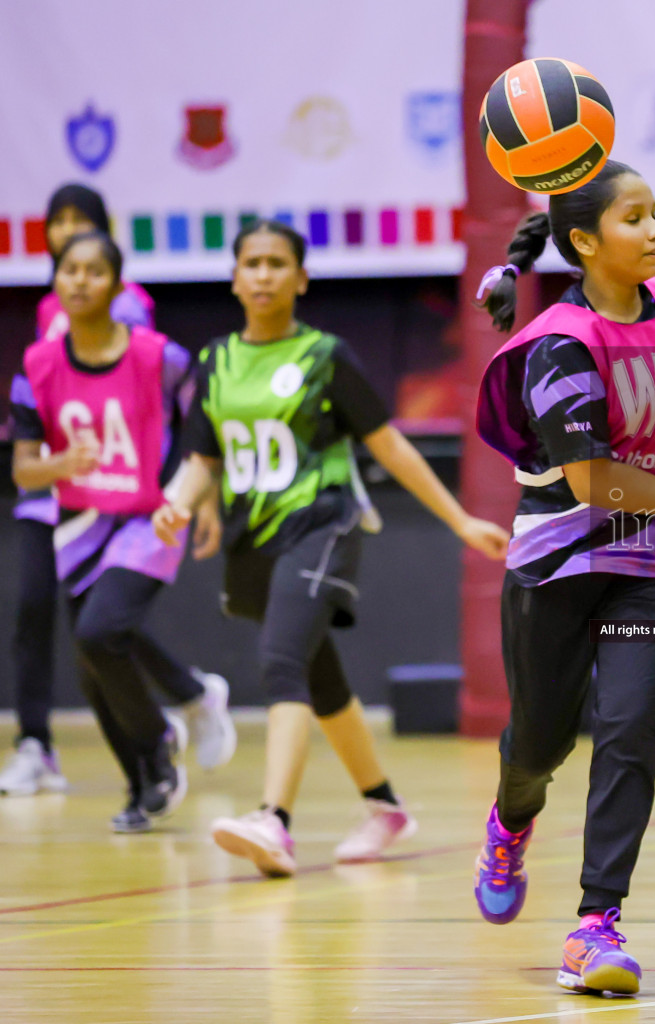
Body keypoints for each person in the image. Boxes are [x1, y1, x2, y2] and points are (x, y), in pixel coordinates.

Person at [153, 219, 509, 877]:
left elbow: (390, 446)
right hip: (252, 538)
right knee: (321, 679)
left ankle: (273, 821)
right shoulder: (215, 364)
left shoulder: (325, 357)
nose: (263, 273)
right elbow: (201, 457)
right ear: (234, 278)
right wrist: (178, 500)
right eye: (251, 262)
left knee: (282, 660)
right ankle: (385, 806)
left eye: (276, 263)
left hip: (323, 525)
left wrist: (460, 520)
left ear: (301, 278)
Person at [472, 160, 655, 996]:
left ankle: (595, 926)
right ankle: (510, 821)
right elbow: (592, 481)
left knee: (631, 731)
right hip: (562, 555)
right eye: (636, 218)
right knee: (543, 742)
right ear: (586, 242)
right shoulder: (559, 344)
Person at [0, 183, 233, 797]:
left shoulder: (142, 336)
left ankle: (176, 717)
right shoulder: (45, 334)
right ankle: (39, 746)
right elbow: (29, 444)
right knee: (57, 623)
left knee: (101, 630)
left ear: (114, 278)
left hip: (129, 498)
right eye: (59, 226)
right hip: (57, 494)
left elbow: (188, 406)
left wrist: (201, 491)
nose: (76, 271)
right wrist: (54, 465)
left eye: (83, 227)